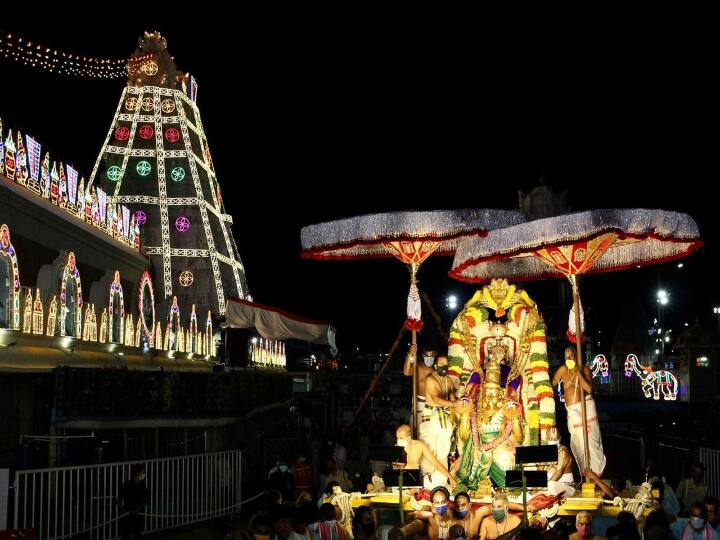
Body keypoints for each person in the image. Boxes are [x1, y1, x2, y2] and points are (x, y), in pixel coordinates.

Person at [552, 347, 606, 475]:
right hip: (572, 412)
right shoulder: (563, 369)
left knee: (592, 443)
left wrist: (579, 374)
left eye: (570, 356)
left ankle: (597, 473)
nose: (568, 358)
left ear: (577, 356)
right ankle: (586, 472)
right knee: (577, 443)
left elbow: (589, 389)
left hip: (586, 408)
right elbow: (552, 382)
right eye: (566, 356)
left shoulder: (584, 369)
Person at [420, 354, 458, 473]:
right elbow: (436, 399)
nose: (444, 367)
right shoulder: (430, 379)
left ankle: (442, 477)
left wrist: (460, 404)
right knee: (430, 449)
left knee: (444, 448)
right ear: (436, 365)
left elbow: (452, 398)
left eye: (446, 365)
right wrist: (453, 405)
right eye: (441, 364)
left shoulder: (448, 380)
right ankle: (427, 476)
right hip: (431, 415)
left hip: (444, 415)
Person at [395, 424, 456, 489]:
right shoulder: (396, 448)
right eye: (397, 437)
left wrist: (450, 477)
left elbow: (436, 464)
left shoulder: (419, 445)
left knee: (442, 476)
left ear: (409, 437)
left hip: (417, 480)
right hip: (402, 480)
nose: (398, 440)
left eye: (401, 438)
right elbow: (395, 469)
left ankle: (416, 488)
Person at [404, 343, 438, 428]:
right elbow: (406, 372)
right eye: (427, 355)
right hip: (419, 403)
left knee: (430, 432)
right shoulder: (418, 367)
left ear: (435, 354)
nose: (429, 357)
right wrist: (410, 354)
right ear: (423, 355)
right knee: (416, 430)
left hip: (433, 404)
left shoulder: (437, 370)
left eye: (432, 355)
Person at [118, 464, 148, 540]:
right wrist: (122, 509)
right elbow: (119, 498)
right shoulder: (127, 485)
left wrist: (139, 508)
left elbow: (144, 499)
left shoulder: (142, 485)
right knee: (125, 535)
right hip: (127, 513)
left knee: (137, 534)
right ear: (137, 473)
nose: (144, 474)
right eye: (142, 472)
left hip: (138, 514)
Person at [545, 426, 576, 497]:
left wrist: (543, 487)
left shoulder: (563, 451)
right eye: (550, 439)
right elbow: (540, 469)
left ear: (560, 438)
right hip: (550, 485)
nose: (553, 441)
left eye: (555, 439)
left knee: (549, 485)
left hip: (566, 487)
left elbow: (559, 473)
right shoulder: (546, 451)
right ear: (546, 439)